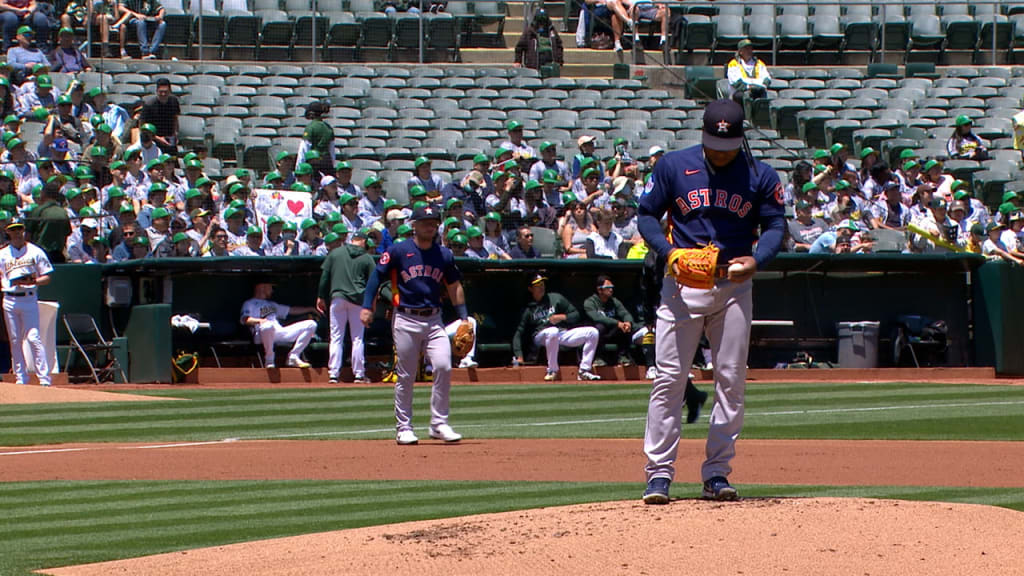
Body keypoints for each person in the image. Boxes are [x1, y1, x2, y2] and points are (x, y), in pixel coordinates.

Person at [636, 99, 785, 504]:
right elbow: (646, 214)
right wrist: (667, 252)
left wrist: (757, 260)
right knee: (668, 379)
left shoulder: (759, 174)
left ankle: (717, 473)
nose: (721, 151)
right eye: (715, 143)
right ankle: (659, 475)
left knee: (731, 380)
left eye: (729, 144)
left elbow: (775, 225)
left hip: (733, 285)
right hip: (681, 284)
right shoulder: (672, 165)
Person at [360, 204, 469, 445]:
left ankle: (439, 424)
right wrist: (367, 306)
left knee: (443, 366)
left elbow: (454, 286)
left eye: (433, 222)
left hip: (434, 319)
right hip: (406, 318)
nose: (430, 226)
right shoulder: (399, 251)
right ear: (414, 225)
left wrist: (463, 317)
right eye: (425, 222)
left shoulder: (444, 254)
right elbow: (376, 277)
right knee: (406, 375)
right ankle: (404, 427)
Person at [513, 273, 601, 382]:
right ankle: (552, 370)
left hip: (560, 334)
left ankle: (584, 370)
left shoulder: (555, 298)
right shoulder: (528, 308)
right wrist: (519, 355)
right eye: (537, 285)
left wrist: (562, 317)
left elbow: (576, 315)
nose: (541, 287)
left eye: (542, 283)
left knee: (592, 332)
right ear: (530, 289)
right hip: (540, 337)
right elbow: (519, 332)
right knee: (552, 331)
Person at [317, 225, 374, 384]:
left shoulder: (336, 253)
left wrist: (321, 296)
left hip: (338, 298)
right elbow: (374, 282)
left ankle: (333, 374)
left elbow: (324, 277)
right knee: (357, 338)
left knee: (336, 337)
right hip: (358, 300)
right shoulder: (367, 257)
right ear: (362, 241)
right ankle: (359, 374)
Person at [0, 217, 52, 386]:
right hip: (10, 299)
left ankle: (44, 378)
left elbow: (47, 277)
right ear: (7, 232)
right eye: (13, 230)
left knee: (33, 337)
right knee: (14, 339)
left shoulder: (35, 251)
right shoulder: (2, 253)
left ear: (24, 231)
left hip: (29, 297)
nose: (17, 233)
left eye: (19, 229)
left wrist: (34, 281)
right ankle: (21, 377)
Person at [240, 280, 319, 369]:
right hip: (261, 333)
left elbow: (291, 310)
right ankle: (269, 359)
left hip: (277, 331)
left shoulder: (272, 304)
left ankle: (293, 356)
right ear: (263, 287)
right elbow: (245, 319)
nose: (272, 290)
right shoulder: (250, 303)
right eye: (270, 287)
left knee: (311, 324)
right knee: (268, 325)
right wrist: (261, 321)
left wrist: (310, 309)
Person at [25, 180, 71, 263]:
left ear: (43, 194)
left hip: (40, 254)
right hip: (58, 255)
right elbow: (67, 233)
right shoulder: (63, 212)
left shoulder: (37, 211)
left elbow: (28, 235)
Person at [514, 9, 563, 73]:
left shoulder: (552, 32)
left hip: (550, 62)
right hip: (535, 63)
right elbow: (519, 47)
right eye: (539, 21)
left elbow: (559, 46)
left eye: (543, 21)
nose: (541, 23)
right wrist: (518, 61)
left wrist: (559, 61)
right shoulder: (529, 32)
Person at [139, 78, 179, 153]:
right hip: (154, 141)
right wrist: (158, 138)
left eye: (166, 92)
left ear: (170, 91)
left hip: (169, 140)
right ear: (157, 91)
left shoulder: (174, 101)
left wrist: (175, 133)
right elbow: (142, 127)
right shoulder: (149, 105)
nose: (163, 94)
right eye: (161, 92)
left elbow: (175, 118)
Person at [726, 39, 771, 105]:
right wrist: (749, 87)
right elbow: (736, 83)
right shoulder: (733, 64)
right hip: (740, 94)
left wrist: (761, 86)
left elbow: (767, 78)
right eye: (746, 49)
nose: (749, 51)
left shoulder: (759, 63)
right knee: (742, 96)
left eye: (750, 49)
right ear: (740, 51)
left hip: (759, 91)